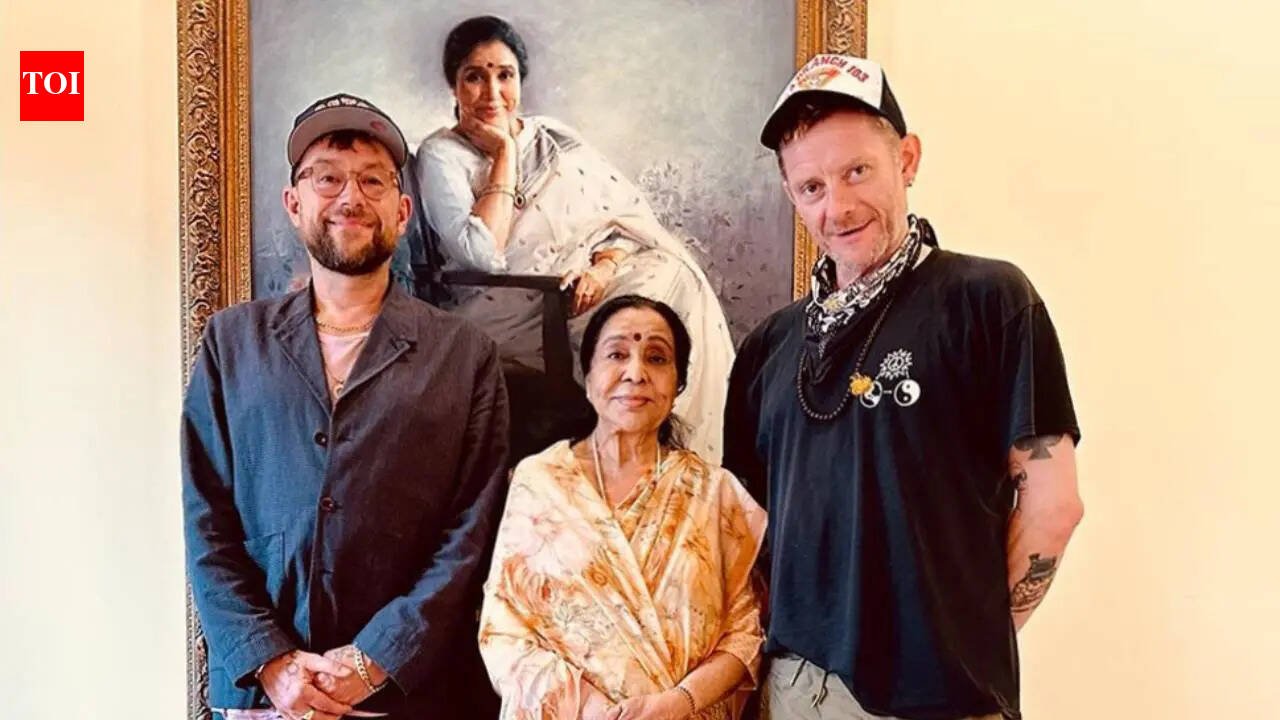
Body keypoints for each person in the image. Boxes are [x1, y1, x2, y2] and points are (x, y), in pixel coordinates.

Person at [723, 55, 1085, 720]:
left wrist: (962, 640)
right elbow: (748, 532)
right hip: (791, 692)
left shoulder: (989, 300)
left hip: (937, 699)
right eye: (811, 187)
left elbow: (1053, 506)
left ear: (907, 159)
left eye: (857, 172)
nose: (837, 207)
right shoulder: (769, 346)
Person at [182, 93, 508, 719]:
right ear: (294, 203)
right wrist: (272, 662)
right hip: (263, 694)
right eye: (327, 178)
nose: (350, 197)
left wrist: (374, 660)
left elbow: (473, 528)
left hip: (411, 690)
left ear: (402, 211)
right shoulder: (232, 343)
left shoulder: (464, 354)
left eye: (372, 180)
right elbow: (206, 520)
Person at [415, 15, 735, 462]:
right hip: (515, 307)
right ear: (453, 85)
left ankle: (678, 454)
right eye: (474, 77)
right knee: (643, 318)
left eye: (505, 75)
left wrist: (603, 266)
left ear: (520, 81)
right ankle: (632, 449)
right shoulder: (441, 155)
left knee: (674, 278)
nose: (492, 92)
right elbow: (481, 253)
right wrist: (505, 154)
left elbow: (622, 216)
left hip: (588, 285)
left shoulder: (553, 136)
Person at [479, 295, 766, 720]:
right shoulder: (539, 481)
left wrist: (677, 703)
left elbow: (745, 634)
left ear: (678, 385)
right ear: (588, 375)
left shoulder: (714, 493)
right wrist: (592, 709)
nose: (636, 373)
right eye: (616, 355)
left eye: (656, 358)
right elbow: (503, 628)